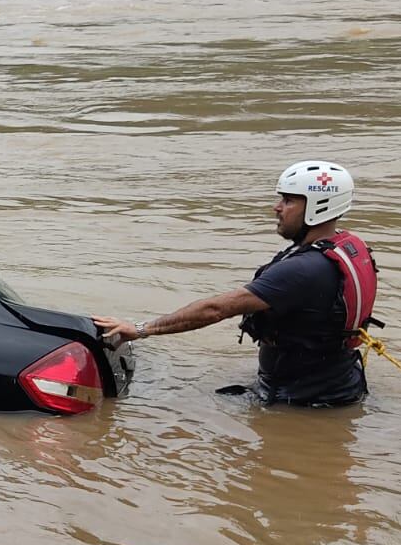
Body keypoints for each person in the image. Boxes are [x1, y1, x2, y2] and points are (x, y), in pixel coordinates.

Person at [93, 160, 379, 408]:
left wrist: (140, 329)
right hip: (338, 382)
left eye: (289, 200)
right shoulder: (346, 246)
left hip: (303, 400)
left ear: (318, 206)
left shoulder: (305, 269)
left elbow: (216, 309)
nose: (276, 208)